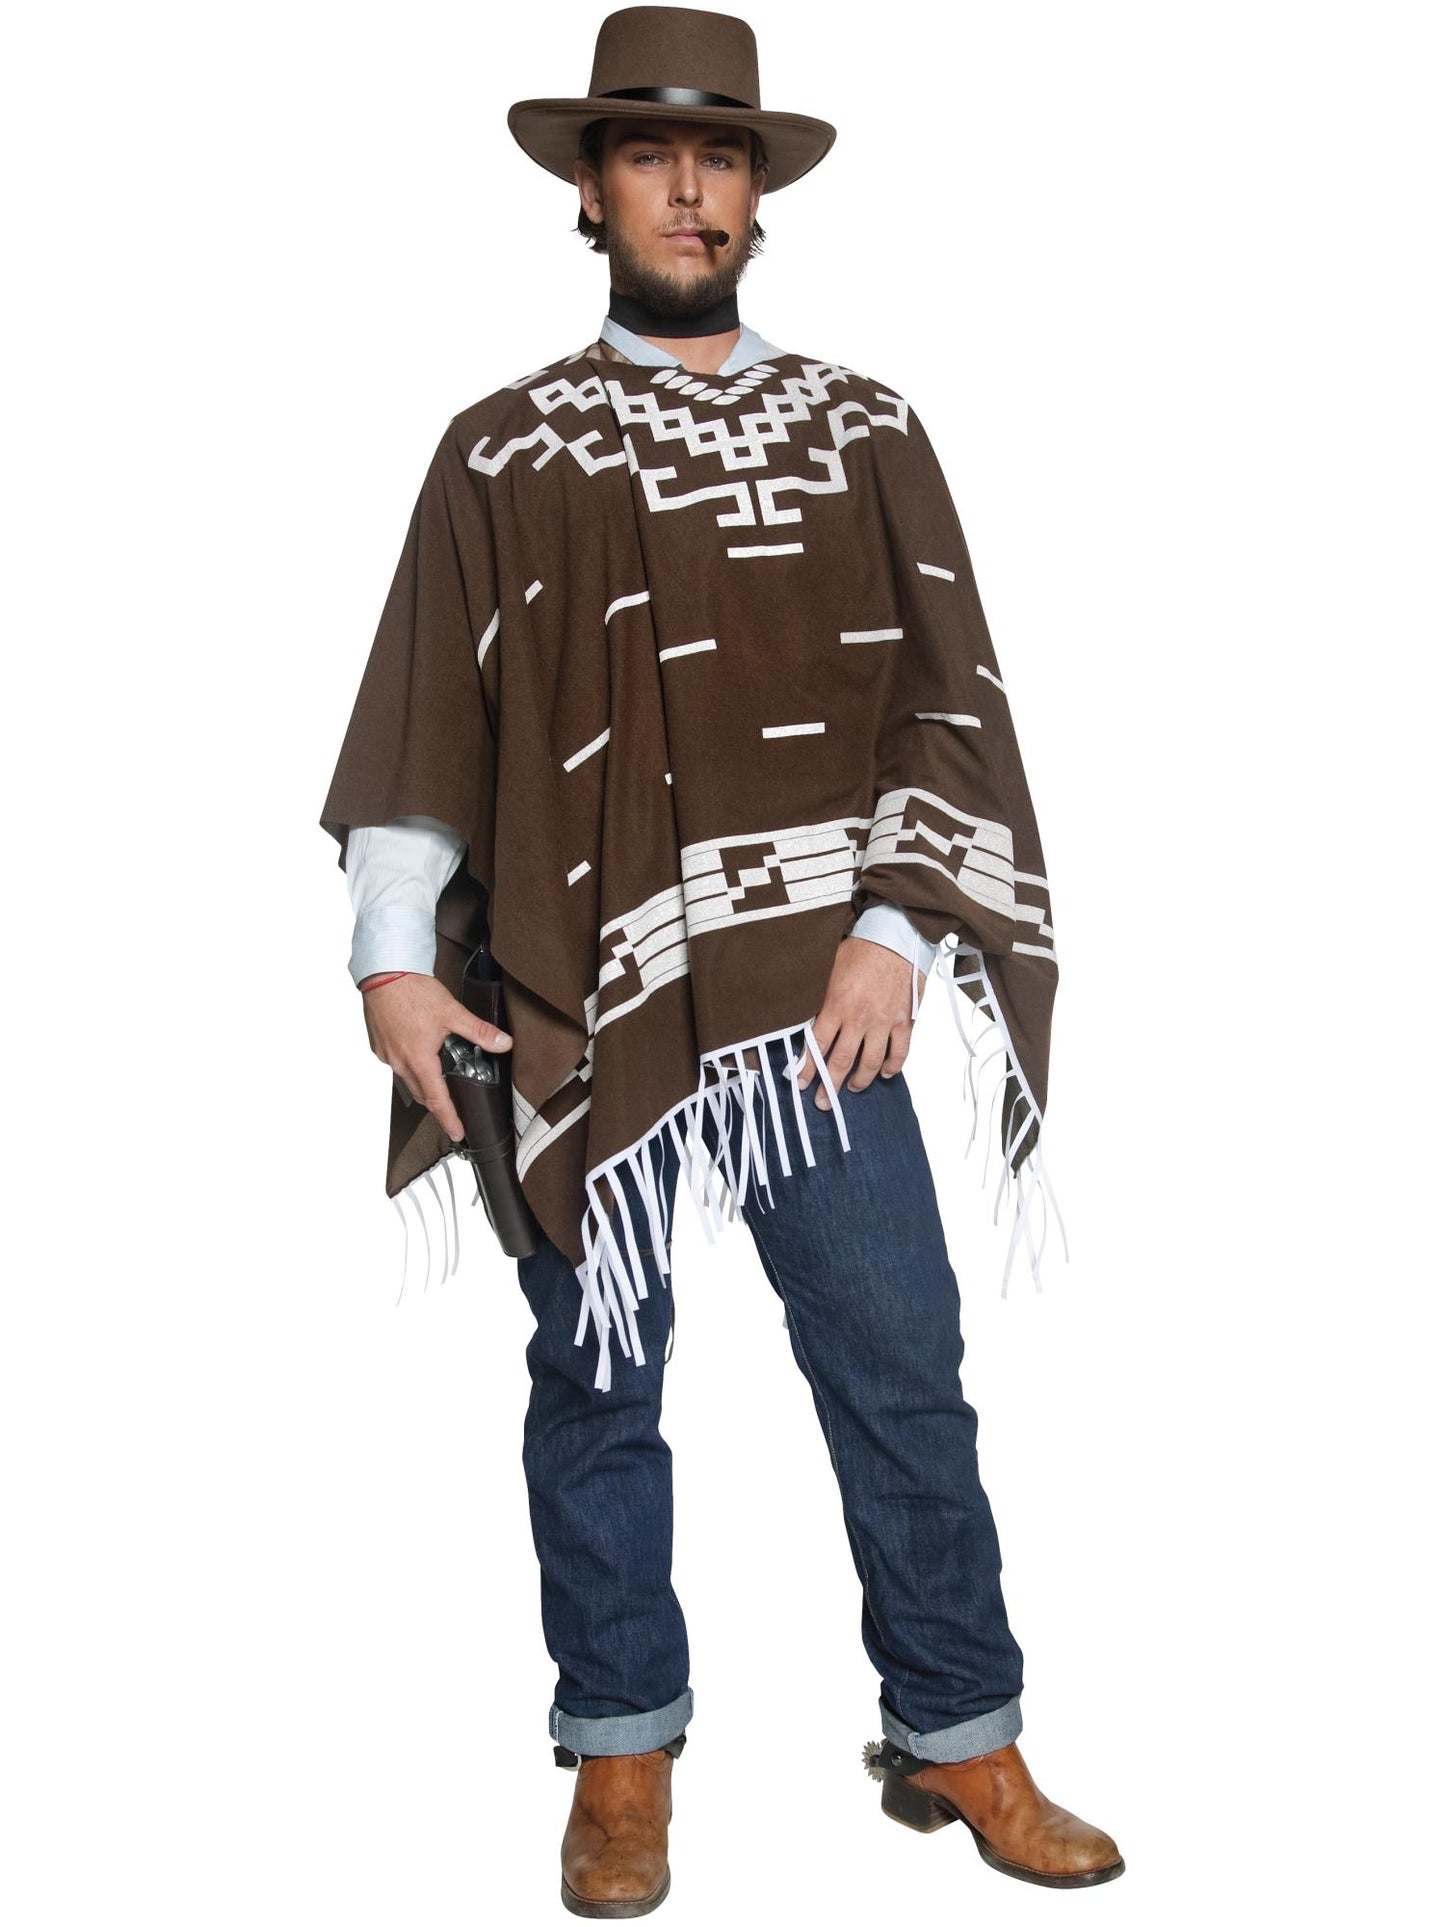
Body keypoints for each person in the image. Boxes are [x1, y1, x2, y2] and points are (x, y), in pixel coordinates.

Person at [319, 8, 1122, 1915]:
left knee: (899, 1362)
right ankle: (620, 1752)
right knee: (597, 1382)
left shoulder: (865, 430)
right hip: (581, 999)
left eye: (724, 158)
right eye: (649, 156)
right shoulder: (503, 447)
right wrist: (391, 964)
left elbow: (942, 703)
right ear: (588, 193)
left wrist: (890, 930)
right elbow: (433, 707)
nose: (690, 190)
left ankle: (958, 1731)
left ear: (758, 193)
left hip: (812, 1001)